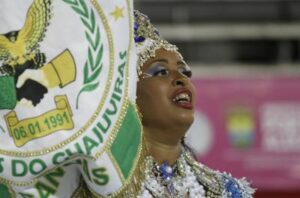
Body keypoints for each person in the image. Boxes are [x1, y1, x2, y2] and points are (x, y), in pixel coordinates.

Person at [132, 10, 255, 197]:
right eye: (161, 72)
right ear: (129, 92)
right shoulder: (96, 187)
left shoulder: (227, 191)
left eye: (185, 72)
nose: (182, 79)